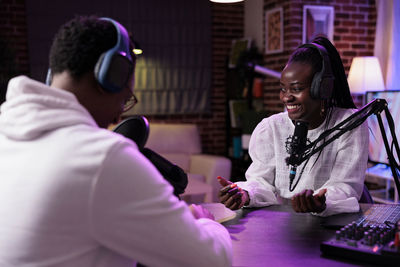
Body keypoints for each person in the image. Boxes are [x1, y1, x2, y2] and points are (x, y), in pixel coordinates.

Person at [0, 16, 231, 266]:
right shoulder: (102, 157)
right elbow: (211, 260)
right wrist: (203, 220)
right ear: (111, 75)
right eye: (126, 98)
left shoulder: (7, 138)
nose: (119, 115)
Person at [218, 36, 369, 217]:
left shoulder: (349, 125)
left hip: (328, 226)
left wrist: (319, 201)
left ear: (322, 89)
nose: (286, 97)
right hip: (281, 226)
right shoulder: (271, 127)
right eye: (283, 88)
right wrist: (245, 194)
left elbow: (345, 186)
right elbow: (261, 181)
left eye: (296, 89)